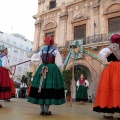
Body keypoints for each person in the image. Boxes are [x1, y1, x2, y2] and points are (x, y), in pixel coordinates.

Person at [28, 36, 65, 115]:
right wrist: (62, 68)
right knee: (49, 89)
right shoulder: (55, 51)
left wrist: (39, 64)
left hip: (42, 68)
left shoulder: (42, 50)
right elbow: (59, 64)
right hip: (52, 70)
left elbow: (33, 58)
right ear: (52, 42)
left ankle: (42, 110)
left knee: (41, 88)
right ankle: (46, 110)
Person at [93, 33, 120, 119]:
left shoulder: (109, 48)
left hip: (111, 69)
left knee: (109, 89)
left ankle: (109, 114)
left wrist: (106, 62)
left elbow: (101, 54)